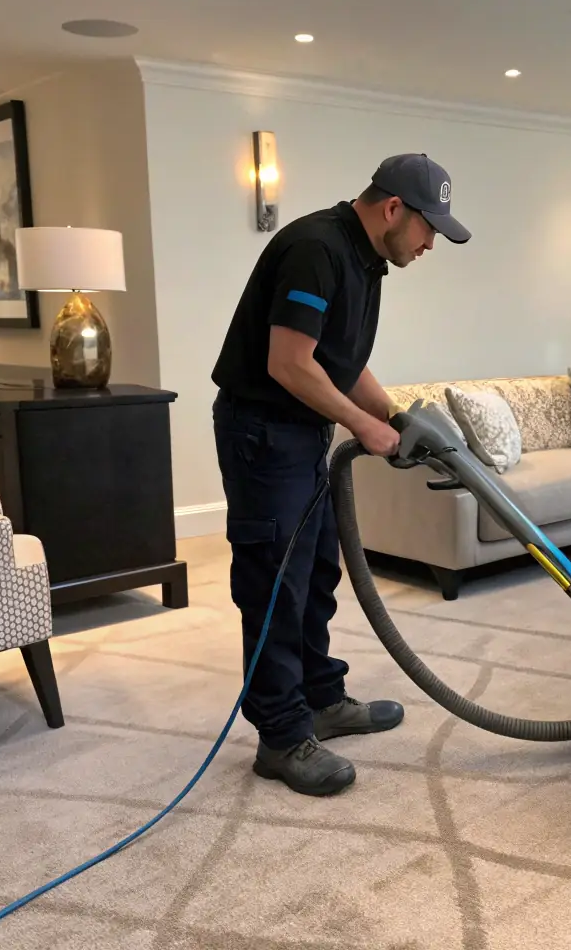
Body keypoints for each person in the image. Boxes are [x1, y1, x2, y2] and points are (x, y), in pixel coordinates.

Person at [210, 153, 471, 796]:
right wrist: (363, 426)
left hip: (302, 434)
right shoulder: (315, 249)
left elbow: (339, 362)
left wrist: (394, 415)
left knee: (318, 569)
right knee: (276, 582)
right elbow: (289, 363)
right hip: (263, 433)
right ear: (393, 209)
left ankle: (321, 700)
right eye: (428, 228)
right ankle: (281, 737)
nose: (430, 243)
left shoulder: (365, 260)